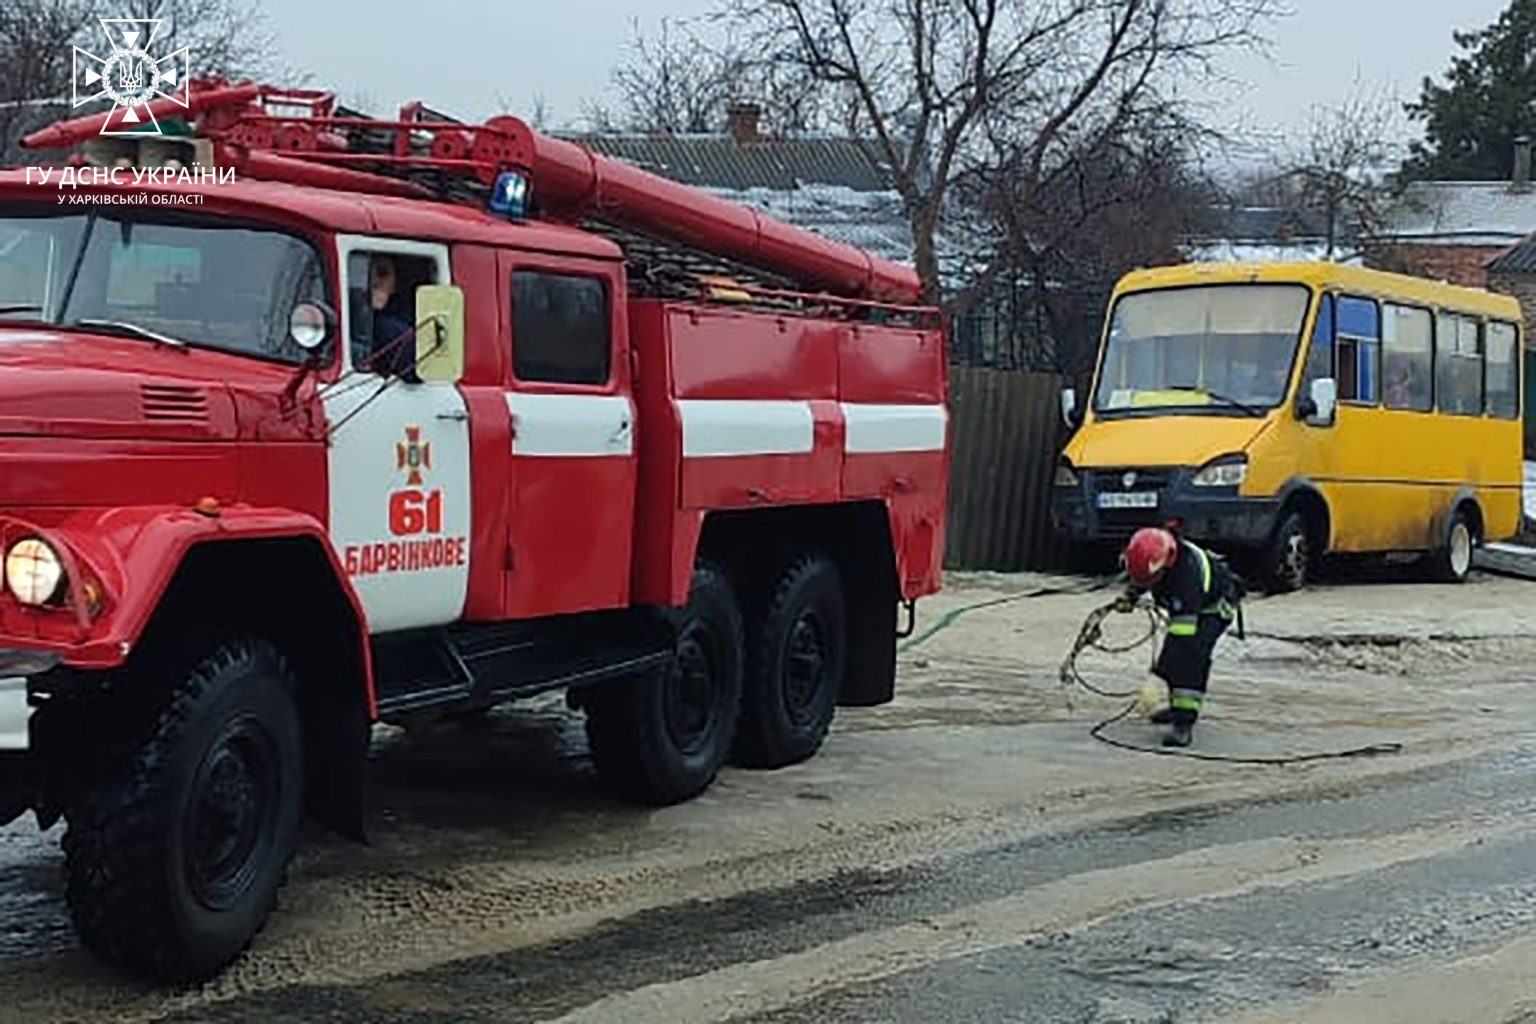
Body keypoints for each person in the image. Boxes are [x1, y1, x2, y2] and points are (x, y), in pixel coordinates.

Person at [1116, 525, 1241, 748]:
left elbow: (1180, 640)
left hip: (1213, 610)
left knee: (1191, 658)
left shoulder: (1186, 576)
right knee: (1178, 657)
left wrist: (1156, 677)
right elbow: (1145, 574)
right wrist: (1131, 594)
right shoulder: (1157, 554)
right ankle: (1176, 708)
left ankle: (1184, 722)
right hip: (1192, 605)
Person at [364, 254, 415, 377]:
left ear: (395, 283)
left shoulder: (406, 324)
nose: (374, 282)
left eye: (383, 274)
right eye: (365, 274)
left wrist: (373, 318)